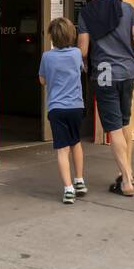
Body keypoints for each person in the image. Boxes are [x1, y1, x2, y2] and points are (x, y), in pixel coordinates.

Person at [77, 0, 134, 197]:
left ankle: (126, 181)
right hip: (127, 72)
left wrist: (84, 64)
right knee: (125, 123)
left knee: (114, 129)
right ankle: (129, 170)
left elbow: (84, 50)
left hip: (104, 74)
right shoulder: (127, 9)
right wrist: (131, 54)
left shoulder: (86, 13)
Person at [38, 17, 87, 204]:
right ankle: (80, 180)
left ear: (52, 37)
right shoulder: (76, 54)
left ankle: (68, 189)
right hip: (76, 106)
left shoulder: (47, 56)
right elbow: (81, 69)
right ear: (71, 35)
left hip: (56, 108)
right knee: (76, 143)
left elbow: (42, 80)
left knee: (61, 149)